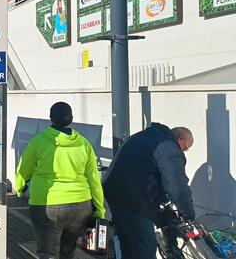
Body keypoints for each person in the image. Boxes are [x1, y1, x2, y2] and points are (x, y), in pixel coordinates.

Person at [15, 102, 105, 259]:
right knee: (68, 252)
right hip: (81, 206)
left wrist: (19, 188)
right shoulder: (84, 144)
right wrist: (99, 208)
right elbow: (94, 179)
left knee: (48, 253)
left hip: (46, 205)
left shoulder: (38, 142)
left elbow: (24, 170)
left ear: (50, 119)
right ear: (71, 119)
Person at [103, 124, 195, 259]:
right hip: (135, 201)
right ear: (181, 139)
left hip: (114, 195)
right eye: (185, 148)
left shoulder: (140, 136)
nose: (183, 150)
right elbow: (176, 185)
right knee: (145, 248)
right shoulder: (168, 147)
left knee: (128, 244)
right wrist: (188, 214)